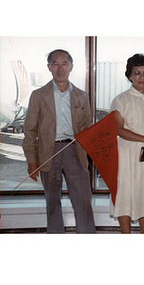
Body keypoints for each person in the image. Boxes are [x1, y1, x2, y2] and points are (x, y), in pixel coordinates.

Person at [22, 49, 96, 234]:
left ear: (71, 66)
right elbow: (29, 130)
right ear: (49, 67)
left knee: (83, 200)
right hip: (48, 152)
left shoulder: (81, 95)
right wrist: (32, 161)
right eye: (55, 63)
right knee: (52, 201)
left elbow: (88, 127)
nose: (60, 68)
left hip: (75, 151)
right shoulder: (39, 95)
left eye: (64, 63)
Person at [110, 53, 144, 234]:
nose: (141, 77)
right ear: (129, 75)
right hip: (127, 154)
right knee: (126, 193)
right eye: (137, 73)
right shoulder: (121, 99)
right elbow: (118, 129)